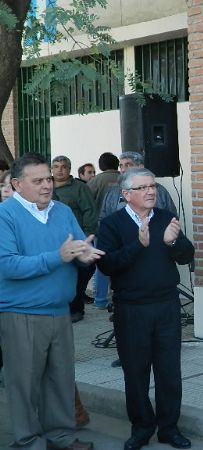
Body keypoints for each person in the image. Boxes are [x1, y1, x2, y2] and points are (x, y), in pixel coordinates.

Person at [0, 153, 101, 450]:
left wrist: (84, 256)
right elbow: (8, 265)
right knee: (25, 383)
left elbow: (77, 247)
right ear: (17, 184)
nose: (47, 185)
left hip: (60, 310)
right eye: (38, 181)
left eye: (48, 179)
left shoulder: (62, 211)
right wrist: (58, 257)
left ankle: (61, 437)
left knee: (60, 379)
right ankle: (28, 441)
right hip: (21, 313)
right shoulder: (5, 216)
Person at [96, 168, 194, 450]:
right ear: (126, 194)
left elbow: (186, 255)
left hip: (166, 306)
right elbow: (107, 265)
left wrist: (173, 241)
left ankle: (169, 428)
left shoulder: (164, 218)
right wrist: (138, 245)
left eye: (153, 186)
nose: (151, 191)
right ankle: (141, 428)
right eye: (143, 187)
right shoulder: (112, 224)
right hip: (131, 309)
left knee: (169, 372)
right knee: (136, 373)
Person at [96, 152, 177, 311]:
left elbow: (174, 222)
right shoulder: (112, 193)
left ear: (141, 166)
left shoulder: (161, 194)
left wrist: (172, 241)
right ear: (126, 194)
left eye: (128, 165)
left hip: (162, 293)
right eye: (121, 165)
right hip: (128, 296)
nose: (123, 169)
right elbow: (103, 218)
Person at [52, 155, 99, 323]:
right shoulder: (46, 186)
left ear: (69, 169)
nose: (59, 170)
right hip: (53, 241)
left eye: (63, 167)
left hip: (77, 240)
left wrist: (87, 238)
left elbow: (90, 212)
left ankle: (76, 309)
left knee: (79, 276)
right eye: (56, 166)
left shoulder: (80, 188)